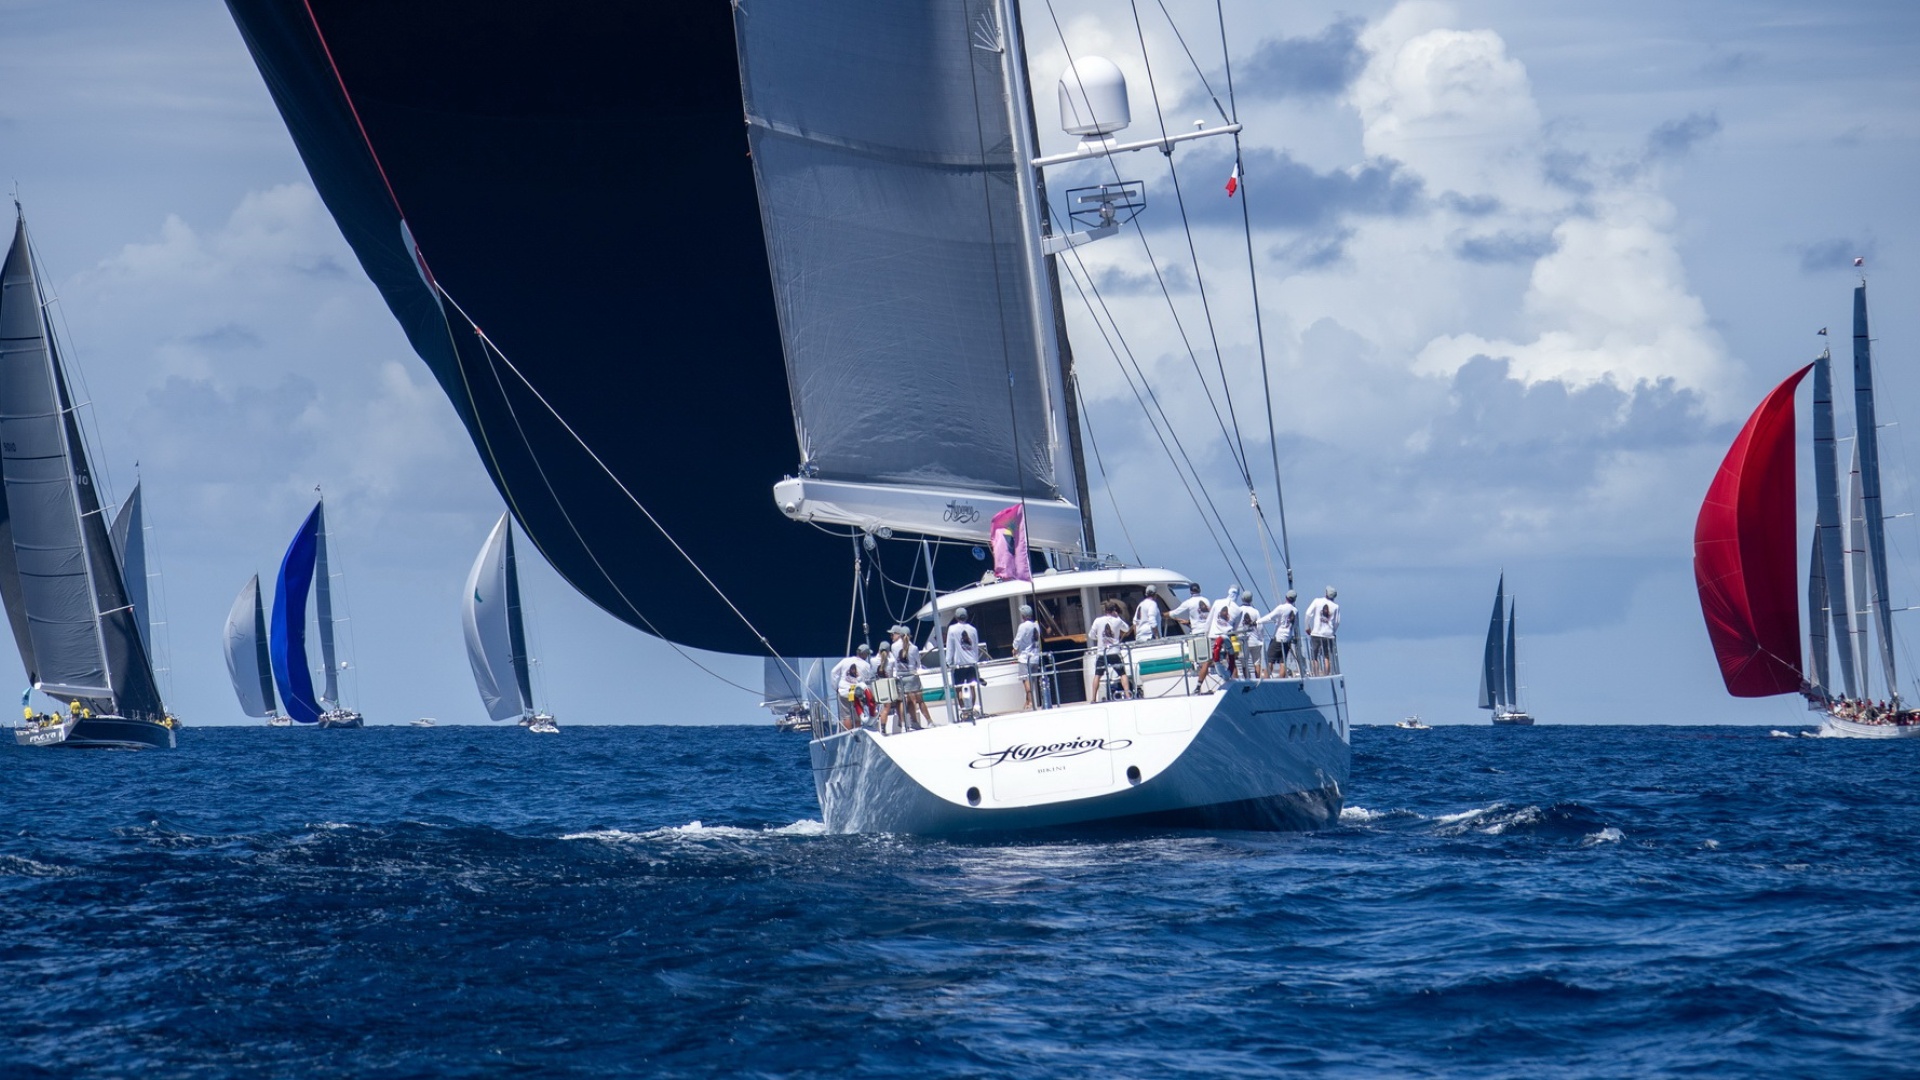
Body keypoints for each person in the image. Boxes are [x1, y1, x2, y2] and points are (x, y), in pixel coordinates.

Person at [1193, 585, 1240, 689]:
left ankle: (1198, 686)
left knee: (1208, 661)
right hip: (1227, 636)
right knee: (1231, 659)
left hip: (1213, 636)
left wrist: (1206, 634)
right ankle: (1235, 685)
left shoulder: (1217, 602)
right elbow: (1235, 628)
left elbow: (1209, 620)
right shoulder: (1238, 610)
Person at [889, 625, 932, 731]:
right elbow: (918, 663)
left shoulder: (893, 646)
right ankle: (929, 721)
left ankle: (904, 725)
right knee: (919, 700)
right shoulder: (914, 648)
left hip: (900, 677)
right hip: (912, 676)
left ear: (900, 635)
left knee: (901, 701)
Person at [1088, 599, 1132, 701]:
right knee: (1122, 674)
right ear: (1114, 610)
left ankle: (1093, 698)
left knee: (1097, 675)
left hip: (1101, 653)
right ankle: (1128, 695)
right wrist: (1118, 617)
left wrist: (1098, 638)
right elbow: (1126, 629)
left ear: (1105, 610)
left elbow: (1091, 635)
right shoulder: (1117, 621)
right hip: (1114, 652)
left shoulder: (1098, 621)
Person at [945, 607, 985, 719]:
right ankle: (971, 710)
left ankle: (964, 712)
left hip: (959, 664)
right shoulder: (973, 629)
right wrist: (975, 661)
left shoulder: (952, 629)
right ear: (966, 617)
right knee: (972, 687)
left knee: (959, 688)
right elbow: (975, 647)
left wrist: (948, 661)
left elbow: (950, 647)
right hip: (972, 663)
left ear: (956, 617)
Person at [828, 644, 875, 730]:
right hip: (857, 692)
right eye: (867, 654)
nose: (867, 656)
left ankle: (849, 734)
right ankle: (858, 732)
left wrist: (836, 688)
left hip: (844, 691)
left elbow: (833, 672)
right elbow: (868, 681)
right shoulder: (866, 665)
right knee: (858, 715)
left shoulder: (845, 661)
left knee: (846, 716)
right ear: (864, 654)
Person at [1260, 590, 1299, 678]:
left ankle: (1266, 679)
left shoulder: (1281, 608)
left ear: (1286, 597)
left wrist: (1257, 622)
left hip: (1278, 638)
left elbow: (1269, 617)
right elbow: (1295, 625)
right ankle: (1282, 679)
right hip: (1287, 639)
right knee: (1283, 661)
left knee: (1270, 660)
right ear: (1294, 599)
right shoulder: (1295, 610)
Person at [1303, 586, 1341, 676]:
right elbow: (1337, 622)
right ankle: (1326, 675)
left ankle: (1316, 675)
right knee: (1327, 657)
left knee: (1314, 657)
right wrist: (1333, 632)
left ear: (1326, 593)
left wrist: (1307, 627)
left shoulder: (1317, 601)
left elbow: (1308, 613)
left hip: (1316, 633)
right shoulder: (1336, 607)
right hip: (1328, 635)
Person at [1013, 604, 1043, 710]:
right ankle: (1028, 701)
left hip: (1025, 658)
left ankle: (1030, 702)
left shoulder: (1023, 626)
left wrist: (1014, 649)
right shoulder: (1036, 625)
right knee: (1032, 681)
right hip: (1035, 657)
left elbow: (1018, 640)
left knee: (1025, 680)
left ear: (1023, 615)